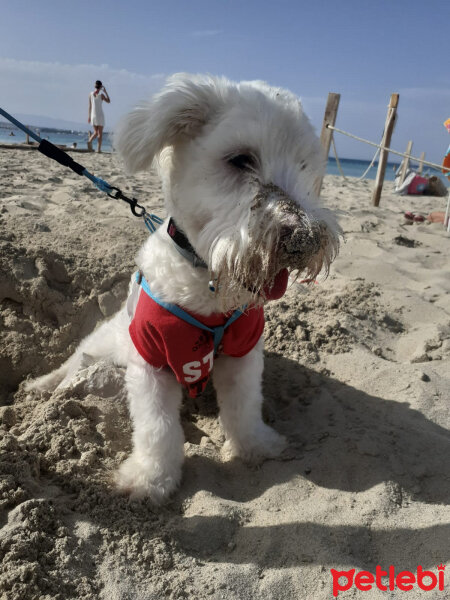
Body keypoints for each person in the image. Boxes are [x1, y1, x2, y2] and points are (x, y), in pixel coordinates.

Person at [88, 80, 110, 153]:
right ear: (101, 87)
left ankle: (90, 141)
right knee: (100, 133)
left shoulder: (90, 94)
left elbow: (90, 106)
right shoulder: (101, 95)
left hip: (93, 115)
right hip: (100, 115)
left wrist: (89, 116)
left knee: (95, 132)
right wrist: (105, 92)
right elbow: (109, 101)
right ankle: (98, 149)